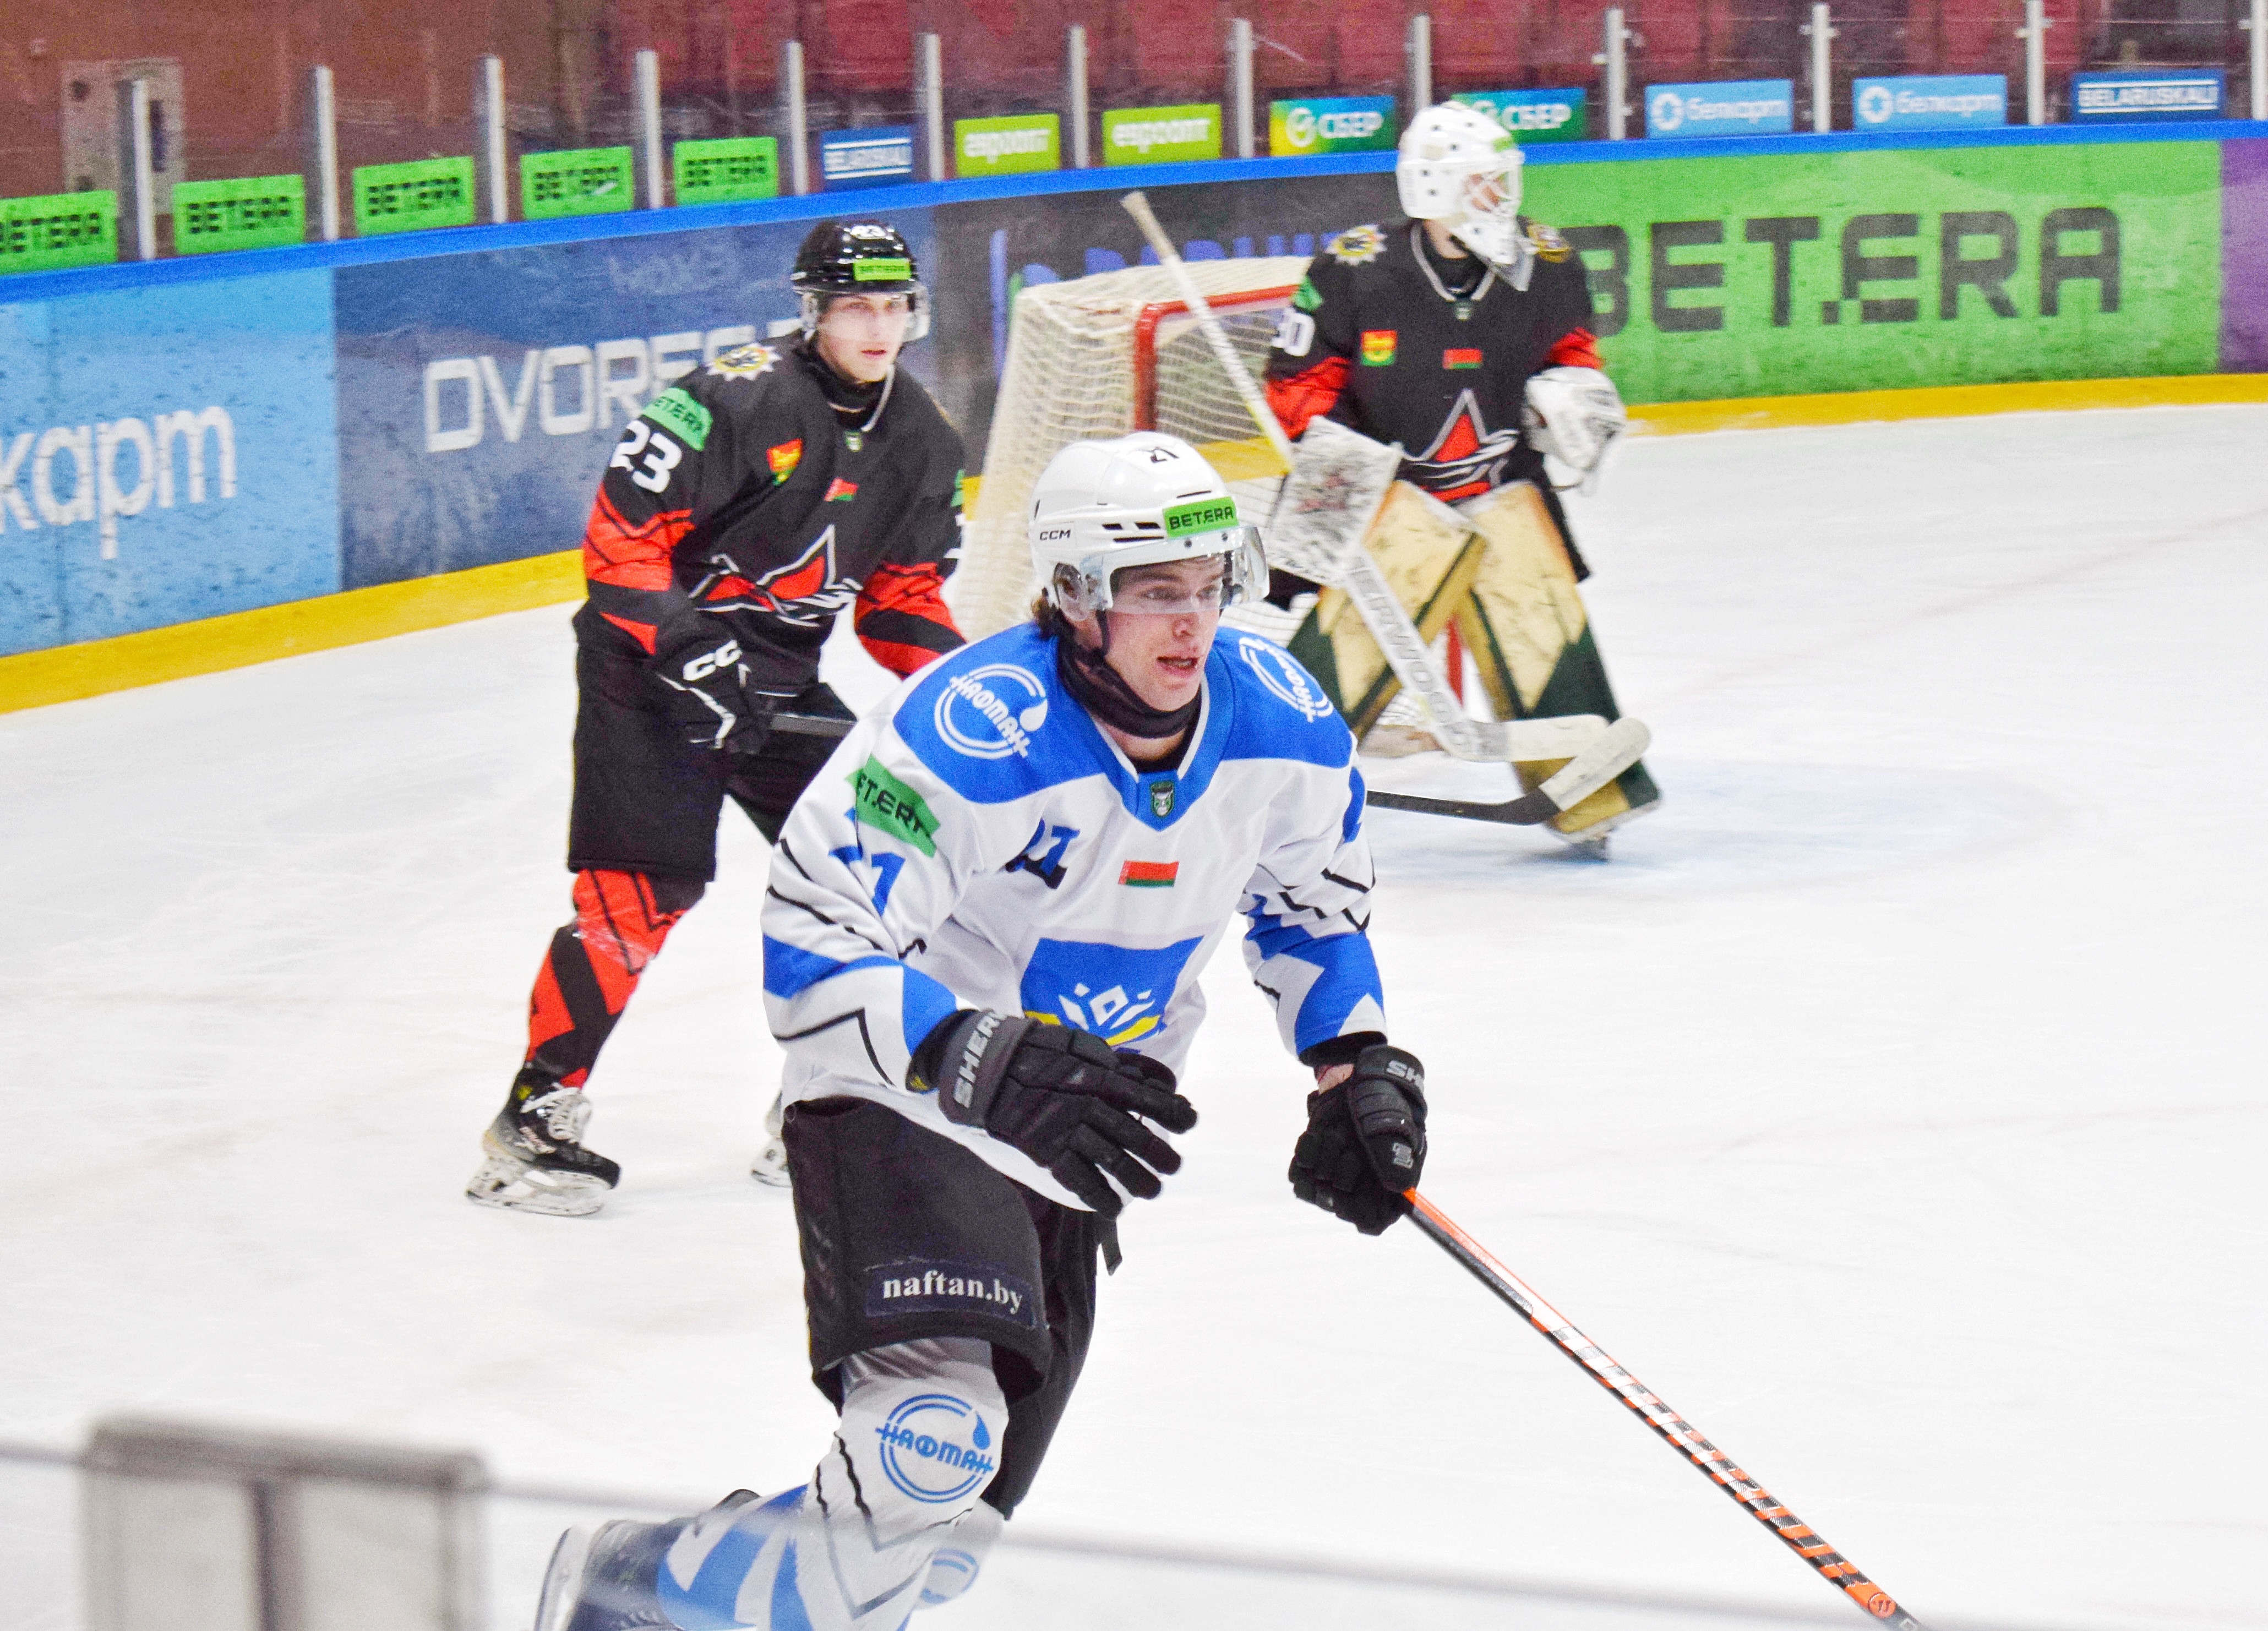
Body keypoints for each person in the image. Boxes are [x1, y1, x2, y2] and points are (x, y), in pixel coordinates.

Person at [531, 432, 1430, 1630]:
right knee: (924, 1454)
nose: (1191, 621)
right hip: (903, 1100)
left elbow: (1312, 911)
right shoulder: (969, 730)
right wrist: (966, 1051)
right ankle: (657, 1591)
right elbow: (814, 935)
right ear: (1075, 595)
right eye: (1153, 591)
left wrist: (1354, 1065)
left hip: (1073, 1137)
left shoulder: (1285, 723)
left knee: (941, 1547)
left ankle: (644, 1583)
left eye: (1210, 584)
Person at [467, 220, 969, 1218]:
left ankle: (825, 1106)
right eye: (855, 306)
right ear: (813, 312)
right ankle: (532, 1119)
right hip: (648, 673)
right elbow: (620, 546)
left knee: (877, 876)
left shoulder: (926, 440)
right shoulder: (727, 398)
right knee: (638, 897)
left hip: (777, 680)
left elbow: (898, 600)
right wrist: (690, 649)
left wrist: (970, 681)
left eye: (894, 306)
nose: (878, 326)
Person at [1262, 99, 1660, 837]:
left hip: (1501, 483)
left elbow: (1572, 354)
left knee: (1535, 604)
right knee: (1359, 635)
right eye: (1482, 181)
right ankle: (1273, 780)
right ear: (1432, 187)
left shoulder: (1548, 262)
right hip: (1382, 495)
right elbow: (1297, 378)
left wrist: (1574, 398)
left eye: (1502, 178)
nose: (1499, 195)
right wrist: (1343, 460)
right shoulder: (1355, 267)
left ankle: (1588, 793)